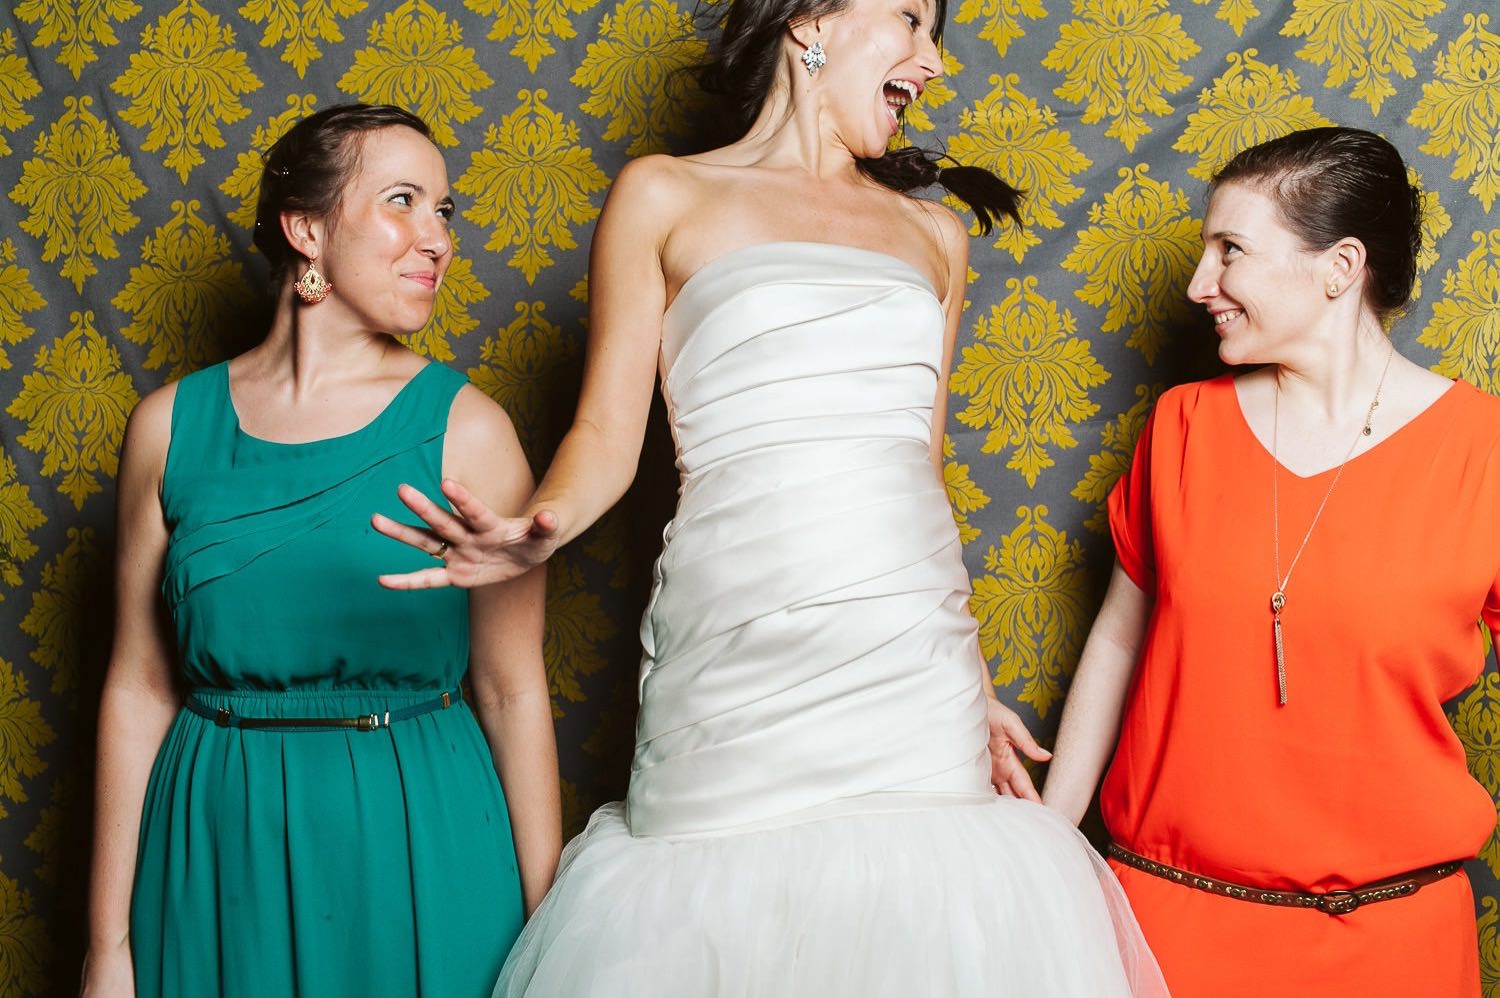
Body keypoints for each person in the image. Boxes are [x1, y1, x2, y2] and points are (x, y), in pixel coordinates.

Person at [373, 1, 1167, 993]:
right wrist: (544, 528)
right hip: (731, 668)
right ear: (809, 22)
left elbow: (916, 474)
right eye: (912, 19)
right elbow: (606, 435)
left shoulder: (935, 235)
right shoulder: (664, 194)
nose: (931, 59)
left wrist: (969, 678)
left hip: (909, 681)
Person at [82, 104, 561, 998]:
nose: (437, 239)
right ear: (307, 231)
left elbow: (512, 691)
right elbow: (138, 689)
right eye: (402, 201)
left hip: (417, 836)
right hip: (217, 844)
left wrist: (550, 937)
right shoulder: (167, 429)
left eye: (444, 211)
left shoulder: (469, 431)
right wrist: (107, 945)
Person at [1042, 126, 1500, 997]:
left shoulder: (1486, 451)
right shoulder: (1182, 425)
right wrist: (1051, 844)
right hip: (1166, 924)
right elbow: (1118, 639)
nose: (1198, 283)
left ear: (1340, 268)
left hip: (1395, 943)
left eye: (1231, 250)